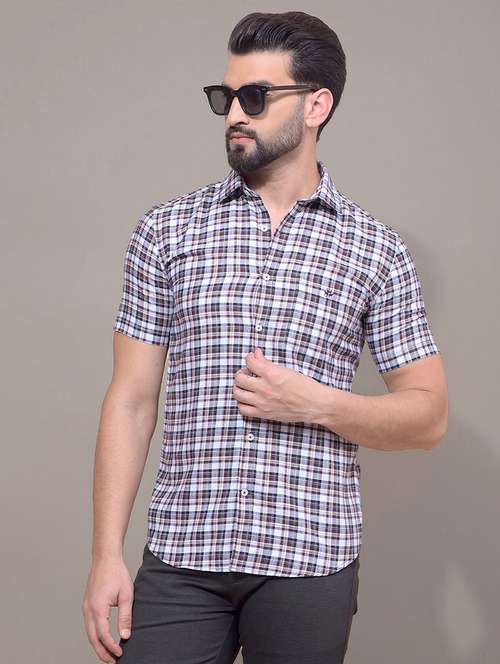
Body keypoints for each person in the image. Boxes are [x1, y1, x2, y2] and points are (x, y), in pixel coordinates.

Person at [82, 10, 448, 664]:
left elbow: (428, 416)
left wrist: (318, 405)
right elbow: (131, 401)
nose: (233, 115)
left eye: (255, 97)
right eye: (225, 97)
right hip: (184, 556)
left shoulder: (376, 252)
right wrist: (106, 554)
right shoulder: (167, 231)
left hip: (311, 560)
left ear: (316, 106)